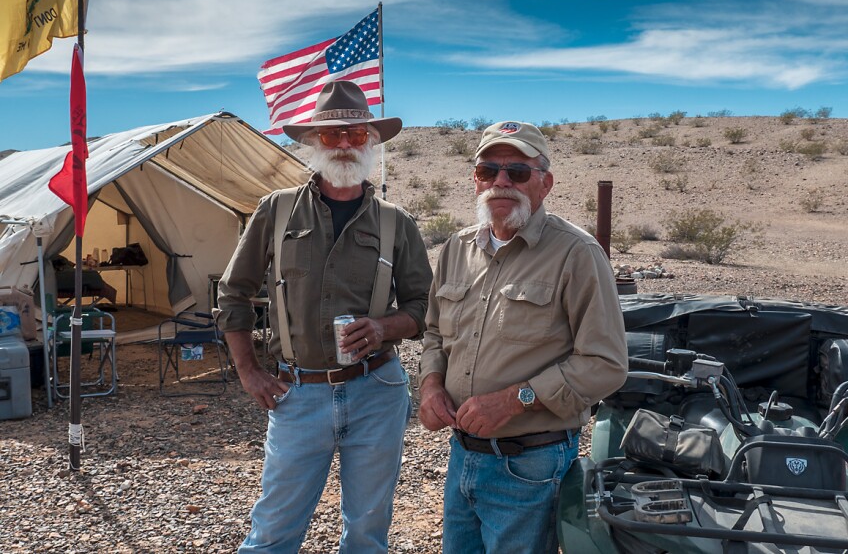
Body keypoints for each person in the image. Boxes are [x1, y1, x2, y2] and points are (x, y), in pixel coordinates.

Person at [214, 81, 432, 553]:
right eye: (333, 136)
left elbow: (423, 307)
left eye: (356, 134)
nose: (346, 144)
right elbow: (233, 291)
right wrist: (249, 371)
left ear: (372, 140)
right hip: (298, 393)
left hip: (377, 390)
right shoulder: (276, 210)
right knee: (274, 528)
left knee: (367, 531)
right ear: (314, 142)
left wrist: (383, 328)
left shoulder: (397, 222)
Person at [418, 121, 628, 553]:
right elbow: (435, 333)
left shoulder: (577, 254)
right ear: (474, 179)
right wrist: (431, 384)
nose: (500, 181)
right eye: (488, 170)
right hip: (463, 455)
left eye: (516, 171)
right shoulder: (457, 248)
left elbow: (606, 364)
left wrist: (514, 401)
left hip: (530, 465)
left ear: (544, 183)